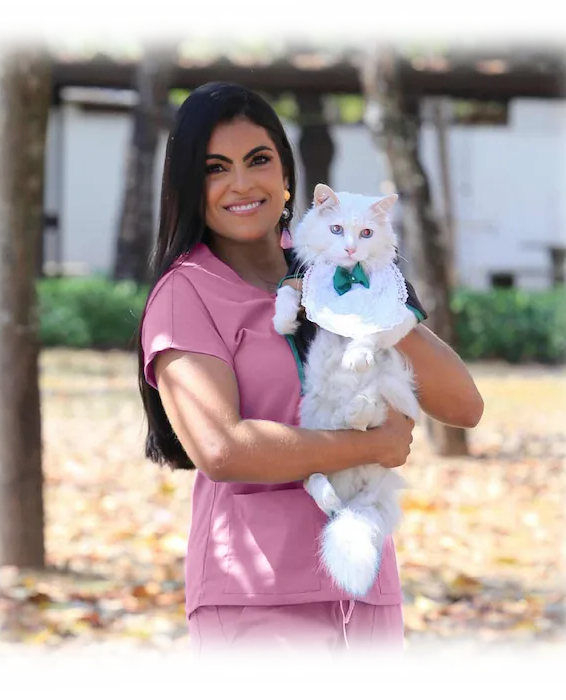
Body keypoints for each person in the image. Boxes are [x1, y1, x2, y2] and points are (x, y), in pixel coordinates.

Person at [137, 82, 484, 668]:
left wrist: (373, 310)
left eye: (258, 160)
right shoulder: (185, 295)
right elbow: (222, 448)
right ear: (190, 186)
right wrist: (370, 446)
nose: (241, 184)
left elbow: (463, 406)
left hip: (362, 583)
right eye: (216, 168)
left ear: (286, 175)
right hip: (256, 596)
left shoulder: (345, 261)